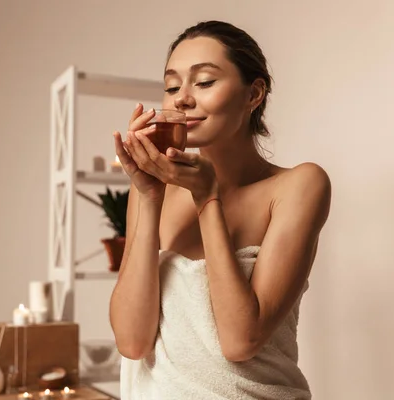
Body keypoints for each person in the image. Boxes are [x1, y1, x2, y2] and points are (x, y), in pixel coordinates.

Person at [109, 20, 331, 400]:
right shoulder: (152, 191)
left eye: (205, 82)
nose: (181, 99)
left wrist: (207, 199)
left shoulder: (299, 186)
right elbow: (132, 342)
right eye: (172, 86)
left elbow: (240, 340)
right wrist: (148, 196)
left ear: (254, 94)